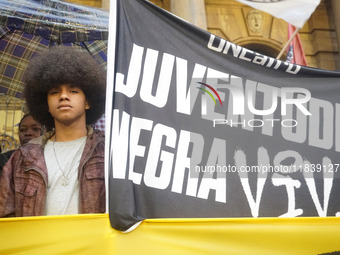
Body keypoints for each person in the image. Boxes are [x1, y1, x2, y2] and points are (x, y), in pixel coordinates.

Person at [0, 46, 106, 217]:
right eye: (55, 92)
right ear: (46, 105)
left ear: (88, 102)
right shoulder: (22, 158)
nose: (63, 96)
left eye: (73, 91)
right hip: (39, 243)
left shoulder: (108, 153)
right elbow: (5, 218)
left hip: (93, 243)